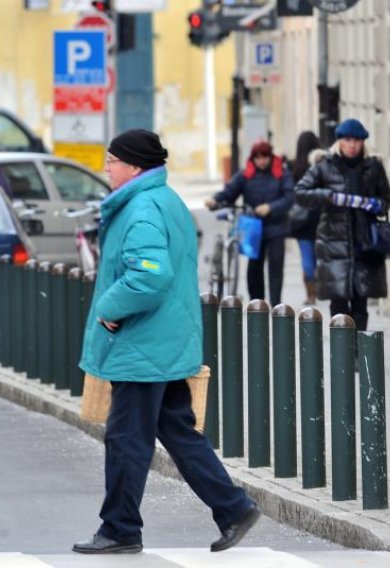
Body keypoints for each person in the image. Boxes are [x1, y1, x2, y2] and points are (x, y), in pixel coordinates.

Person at [74, 129, 261, 554]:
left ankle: (120, 528)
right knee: (177, 430)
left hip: (143, 344)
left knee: (125, 439)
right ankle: (232, 508)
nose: (106, 167)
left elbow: (149, 276)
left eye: (113, 160)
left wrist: (108, 307)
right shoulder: (165, 200)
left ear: (135, 166)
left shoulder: (141, 208)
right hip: (164, 339)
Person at [294, 119, 390, 331]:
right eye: (347, 140)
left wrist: (375, 205)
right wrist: (327, 196)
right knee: (338, 305)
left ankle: (358, 357)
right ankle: (342, 358)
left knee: (360, 304)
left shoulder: (373, 166)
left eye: (357, 140)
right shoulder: (324, 166)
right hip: (333, 245)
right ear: (339, 141)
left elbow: (386, 200)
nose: (352, 145)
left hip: (365, 245)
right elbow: (300, 193)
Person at [205, 140, 294, 306]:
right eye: (258, 157)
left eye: (265, 157)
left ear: (270, 156)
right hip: (254, 228)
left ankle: (276, 304)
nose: (262, 161)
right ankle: (257, 304)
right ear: (253, 158)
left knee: (275, 268)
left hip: (276, 227)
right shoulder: (246, 174)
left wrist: (270, 207)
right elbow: (229, 192)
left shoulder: (281, 173)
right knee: (254, 268)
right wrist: (215, 199)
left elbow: (289, 198)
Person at [289, 130, 323, 305]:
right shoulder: (321, 165)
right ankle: (320, 289)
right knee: (321, 257)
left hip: (302, 222)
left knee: (307, 258)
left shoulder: (294, 167)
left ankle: (311, 294)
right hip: (320, 220)